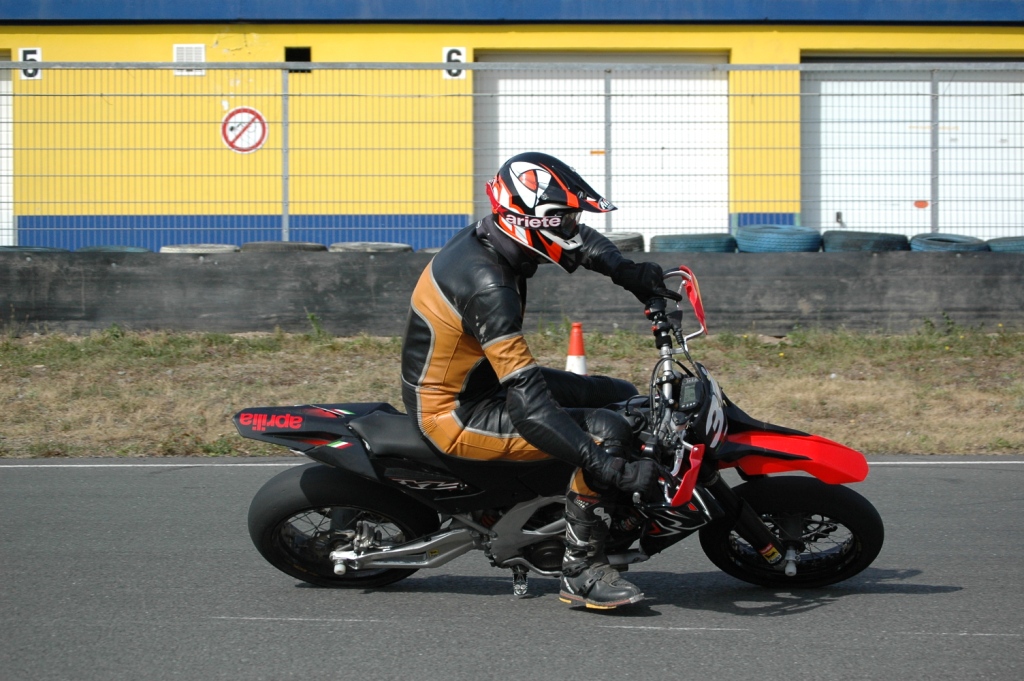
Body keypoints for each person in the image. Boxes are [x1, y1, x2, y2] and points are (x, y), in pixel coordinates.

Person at [400, 152, 679, 609]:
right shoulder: (490, 287)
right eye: (564, 218)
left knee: (619, 395)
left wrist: (626, 272)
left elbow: (579, 242)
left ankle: (578, 502)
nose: (573, 227)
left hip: (479, 381)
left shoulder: (495, 234)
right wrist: (610, 467)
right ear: (530, 222)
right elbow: (530, 409)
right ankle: (581, 570)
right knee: (606, 434)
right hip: (454, 412)